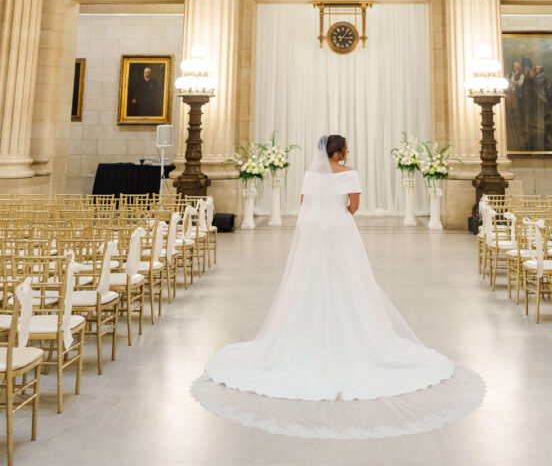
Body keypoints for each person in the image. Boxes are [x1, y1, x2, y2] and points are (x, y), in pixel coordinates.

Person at [196, 133, 463, 437]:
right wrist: (337, 217)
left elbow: (304, 204)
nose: (349, 150)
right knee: (349, 279)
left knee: (309, 280)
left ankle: (308, 332)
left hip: (315, 231)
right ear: (338, 153)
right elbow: (354, 206)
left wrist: (322, 217)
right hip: (340, 229)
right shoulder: (349, 173)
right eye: (346, 147)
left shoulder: (311, 175)